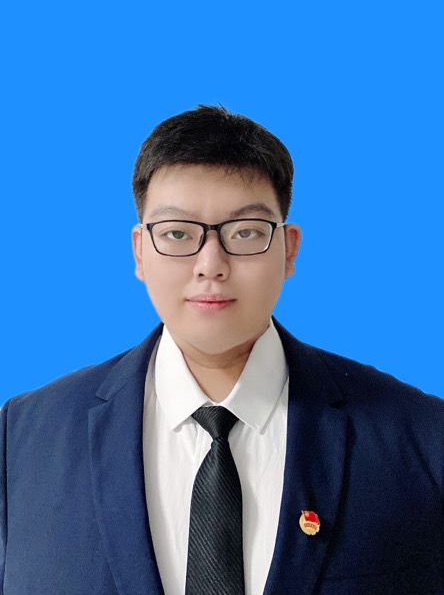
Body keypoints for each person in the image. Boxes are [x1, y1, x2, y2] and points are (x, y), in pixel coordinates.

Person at [0, 105, 443, 595]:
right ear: (140, 251)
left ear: (289, 249)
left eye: (245, 232)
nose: (211, 264)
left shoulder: (421, 438)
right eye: (177, 233)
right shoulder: (20, 440)